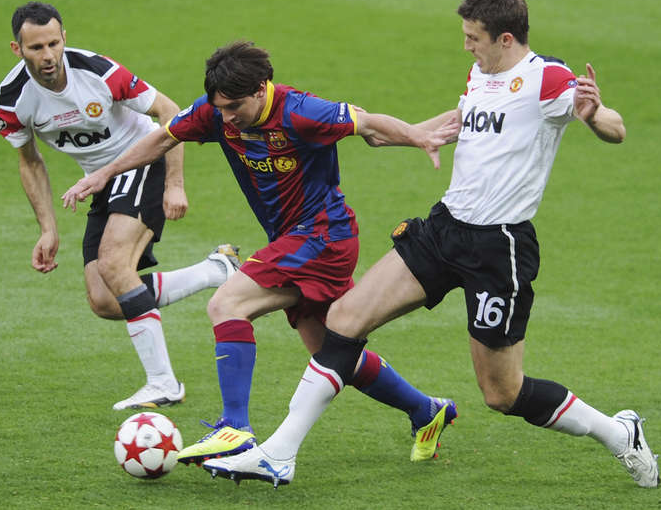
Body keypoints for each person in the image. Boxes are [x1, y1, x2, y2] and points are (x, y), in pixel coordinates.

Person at [201, 0, 660, 489]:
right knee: (344, 319)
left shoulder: (547, 79)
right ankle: (278, 454)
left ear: (505, 39)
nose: (466, 46)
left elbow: (615, 127)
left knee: (502, 393)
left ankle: (619, 433)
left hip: (498, 248)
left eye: (473, 37)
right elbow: (468, 120)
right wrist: (410, 133)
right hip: (444, 229)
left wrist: (595, 115)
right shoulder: (481, 73)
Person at [62, 41, 461, 465]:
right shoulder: (216, 112)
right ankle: (426, 410)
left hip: (323, 236)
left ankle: (235, 427)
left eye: (234, 107)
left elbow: (370, 125)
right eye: (220, 108)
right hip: (296, 239)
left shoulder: (301, 111)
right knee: (330, 351)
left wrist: (419, 136)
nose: (227, 118)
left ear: (260, 89)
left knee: (227, 303)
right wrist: (104, 174)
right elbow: (162, 138)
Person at [0, 2, 241, 411]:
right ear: (17, 49)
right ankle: (216, 270)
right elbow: (30, 161)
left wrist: (175, 184)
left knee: (112, 263)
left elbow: (169, 111)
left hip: (143, 159)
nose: (48, 55)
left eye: (54, 43)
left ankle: (163, 382)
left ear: (64, 38)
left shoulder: (99, 73)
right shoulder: (11, 99)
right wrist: (48, 228)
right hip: (102, 182)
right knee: (105, 300)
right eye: (36, 47)